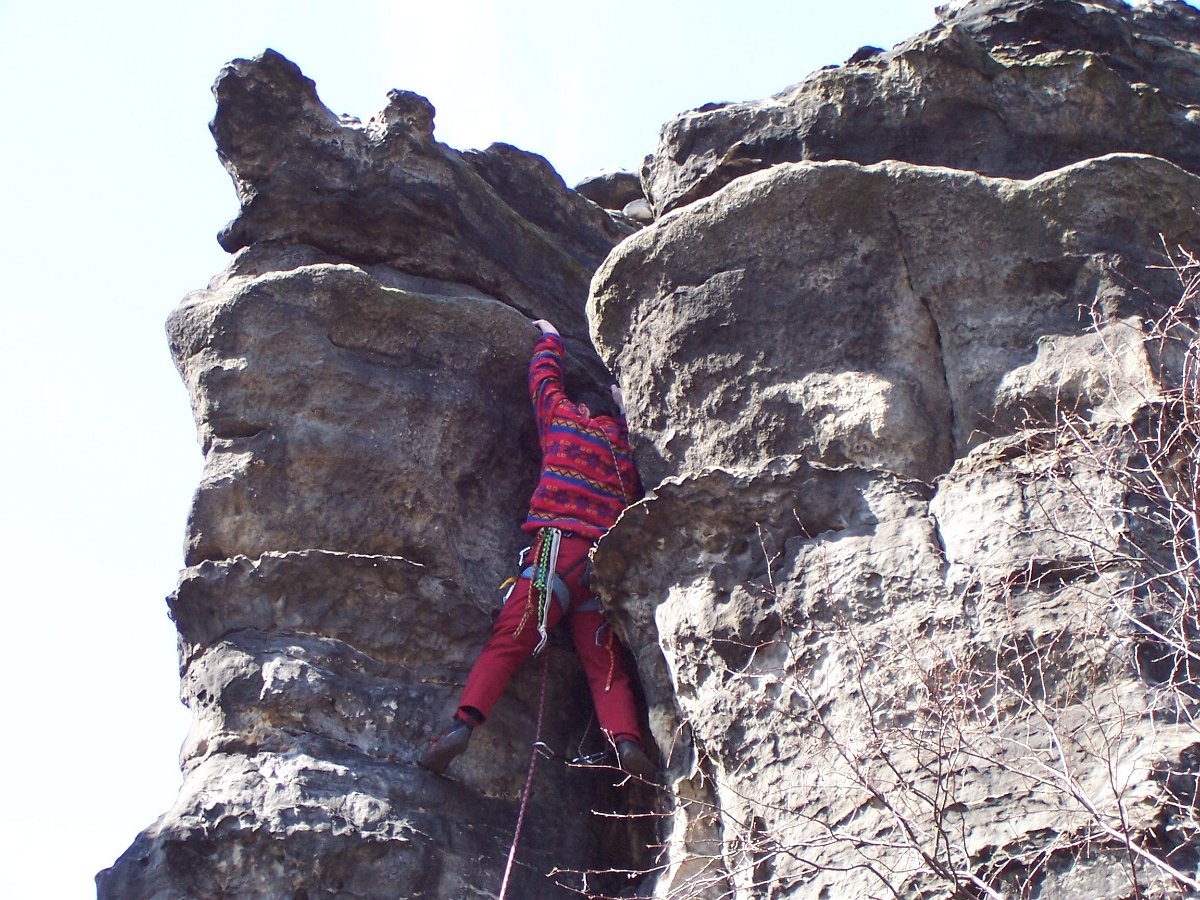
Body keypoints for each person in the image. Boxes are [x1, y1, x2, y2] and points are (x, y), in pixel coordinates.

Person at [421, 318, 655, 779]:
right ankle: (626, 740)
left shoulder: (563, 422)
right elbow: (638, 432)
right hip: (599, 568)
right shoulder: (623, 450)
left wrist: (550, 337)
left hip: (553, 552)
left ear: (579, 408)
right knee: (604, 662)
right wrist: (625, 407)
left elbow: (543, 381)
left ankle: (462, 725)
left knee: (508, 642)